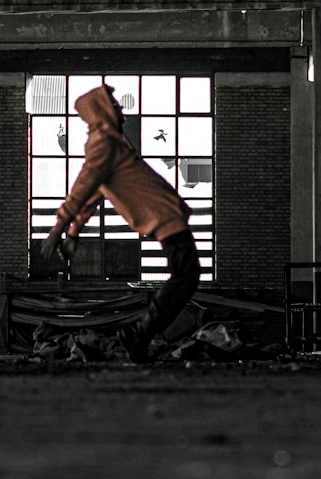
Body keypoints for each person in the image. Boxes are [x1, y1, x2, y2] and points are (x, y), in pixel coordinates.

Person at [40, 83, 201, 363]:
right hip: (164, 216)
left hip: (164, 215)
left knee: (184, 275)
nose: (121, 110)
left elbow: (94, 192)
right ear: (101, 110)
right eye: (114, 104)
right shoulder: (105, 144)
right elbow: (84, 186)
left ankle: (141, 333)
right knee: (186, 275)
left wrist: (73, 232)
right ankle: (140, 332)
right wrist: (59, 228)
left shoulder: (108, 143)